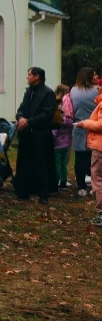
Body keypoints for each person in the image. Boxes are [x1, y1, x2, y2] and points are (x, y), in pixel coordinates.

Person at [14, 67, 58, 204]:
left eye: (29, 75)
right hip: (26, 134)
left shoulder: (48, 93)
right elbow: (22, 107)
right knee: (24, 162)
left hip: (40, 134)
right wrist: (20, 117)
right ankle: (24, 190)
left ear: (37, 77)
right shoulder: (29, 92)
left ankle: (43, 193)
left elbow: (47, 113)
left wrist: (29, 121)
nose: (27, 77)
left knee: (42, 163)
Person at [73, 90, 102, 226]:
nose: (97, 89)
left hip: (100, 147)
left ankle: (101, 214)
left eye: (99, 87)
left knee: (97, 180)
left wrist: (84, 123)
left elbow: (100, 124)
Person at [70, 67, 98, 198]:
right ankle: (94, 185)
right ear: (88, 77)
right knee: (94, 159)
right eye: (94, 74)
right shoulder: (96, 91)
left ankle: (81, 187)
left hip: (78, 127)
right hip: (94, 127)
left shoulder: (73, 91)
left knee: (79, 159)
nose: (97, 76)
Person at [54, 85, 74, 189]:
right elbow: (70, 123)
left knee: (57, 162)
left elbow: (54, 131)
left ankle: (56, 180)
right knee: (63, 163)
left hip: (57, 144)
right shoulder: (67, 119)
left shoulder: (57, 118)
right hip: (65, 143)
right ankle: (63, 180)